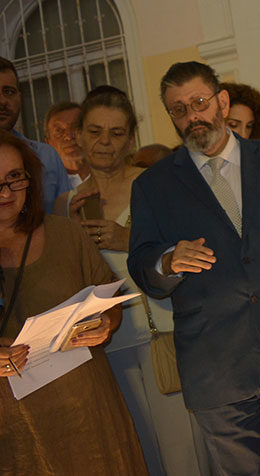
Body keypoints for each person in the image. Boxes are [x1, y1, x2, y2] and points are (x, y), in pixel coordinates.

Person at [127, 61, 260, 476]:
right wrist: (168, 260)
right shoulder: (153, 185)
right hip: (215, 362)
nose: (192, 116)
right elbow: (142, 262)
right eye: (179, 110)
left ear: (221, 101)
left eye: (199, 103)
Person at [56, 86, 206, 476]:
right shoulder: (66, 205)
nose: (105, 142)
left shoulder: (156, 184)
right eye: (95, 131)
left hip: (166, 335)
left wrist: (128, 240)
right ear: (79, 135)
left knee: (185, 455)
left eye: (116, 132)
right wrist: (71, 237)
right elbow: (66, 283)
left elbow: (193, 248)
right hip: (109, 343)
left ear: (130, 138)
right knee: (140, 455)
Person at [0, 130, 147, 475]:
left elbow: (109, 299)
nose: (5, 193)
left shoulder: (65, 233)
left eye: (14, 178)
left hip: (88, 412)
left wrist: (105, 324)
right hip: (15, 429)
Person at [0, 57, 72, 212]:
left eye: (8, 92)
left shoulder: (46, 157)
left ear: (19, 97)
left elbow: (67, 218)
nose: (2, 101)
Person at [44, 101, 89, 187]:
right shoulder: (45, 187)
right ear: (49, 144)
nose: (69, 136)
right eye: (59, 130)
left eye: (76, 127)